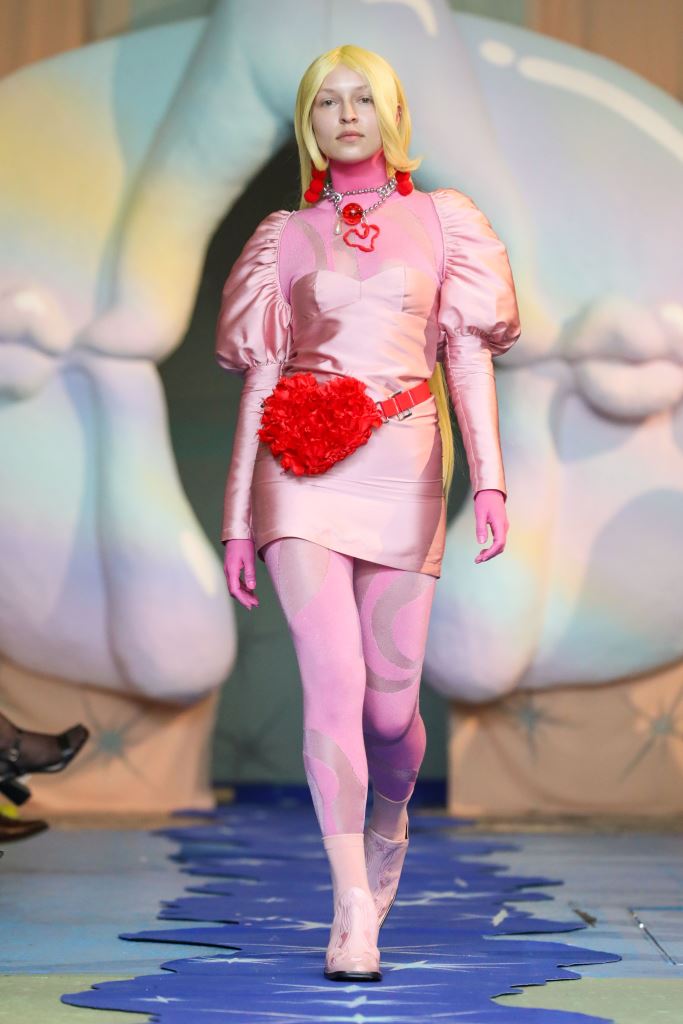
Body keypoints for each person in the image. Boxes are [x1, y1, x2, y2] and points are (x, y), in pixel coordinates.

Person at [215, 45, 521, 982]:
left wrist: (490, 480)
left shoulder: (445, 221)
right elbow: (262, 376)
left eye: (362, 98)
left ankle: (391, 815)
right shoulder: (282, 237)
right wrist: (236, 518)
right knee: (332, 683)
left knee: (389, 713)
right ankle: (351, 905)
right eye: (326, 102)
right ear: (307, 123)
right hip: (298, 471)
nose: (345, 115)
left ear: (390, 113)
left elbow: (465, 355)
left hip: (403, 469)